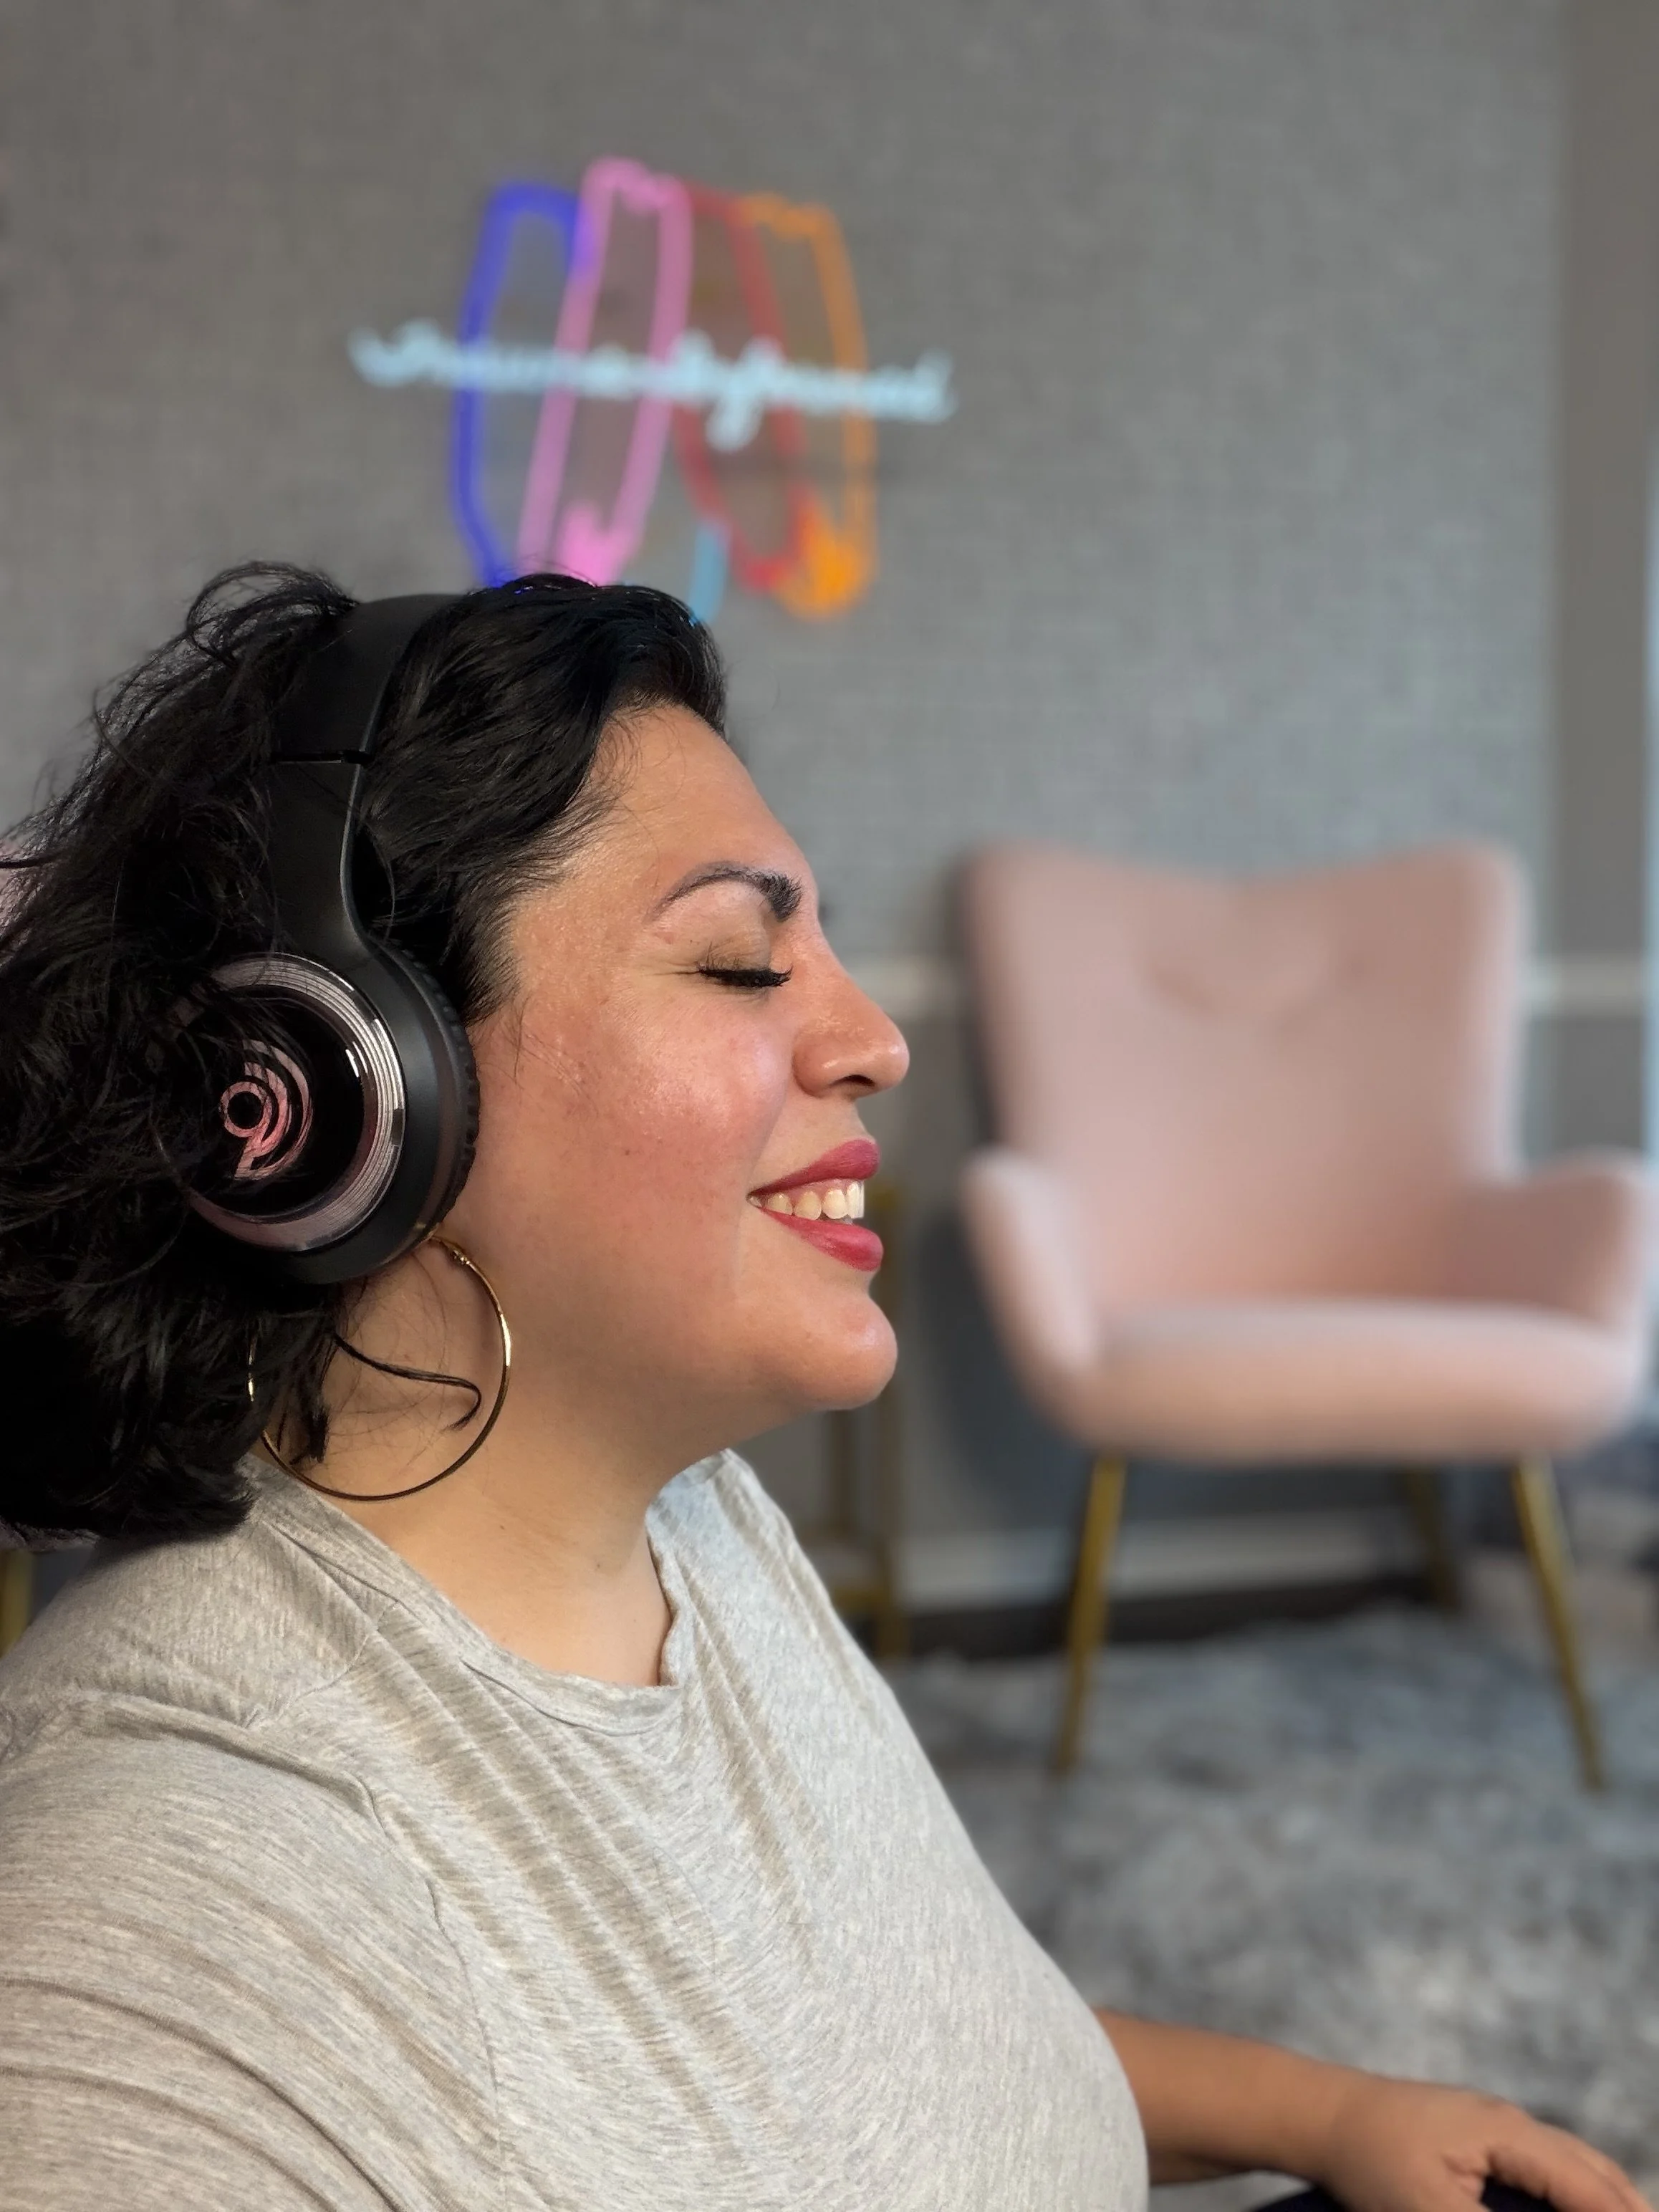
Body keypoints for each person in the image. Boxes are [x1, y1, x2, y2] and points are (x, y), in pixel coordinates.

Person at [0, 567, 1645, 2212]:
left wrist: (1328, 2111)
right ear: (342, 1093)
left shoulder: (687, 1521)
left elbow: (908, 2066)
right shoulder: (160, 1920)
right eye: (737, 960)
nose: (875, 1037)